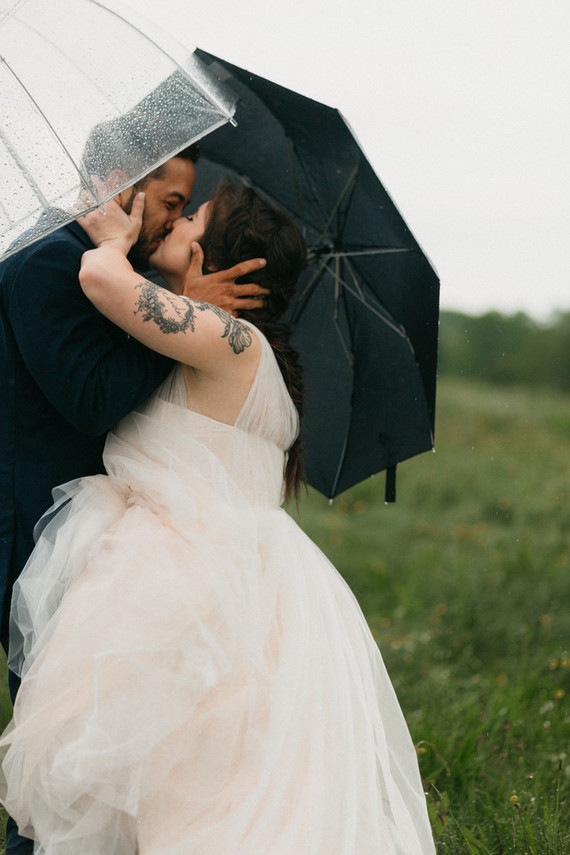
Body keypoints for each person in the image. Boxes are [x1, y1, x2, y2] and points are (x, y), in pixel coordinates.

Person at [0, 181, 436, 854]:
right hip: (222, 580)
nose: (177, 218)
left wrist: (114, 242)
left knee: (174, 785)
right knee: (193, 781)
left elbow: (97, 277)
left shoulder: (227, 337)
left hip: (180, 584)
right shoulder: (234, 344)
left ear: (215, 250)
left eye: (191, 213)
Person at [0, 145, 267, 855]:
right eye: (173, 202)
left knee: (94, 744)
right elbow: (91, 400)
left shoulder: (117, 268)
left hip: (102, 542)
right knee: (56, 751)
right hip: (33, 534)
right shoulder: (42, 264)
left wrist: (176, 307)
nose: (175, 219)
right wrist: (184, 316)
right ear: (120, 184)